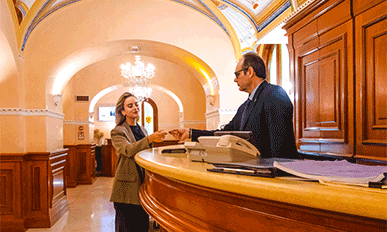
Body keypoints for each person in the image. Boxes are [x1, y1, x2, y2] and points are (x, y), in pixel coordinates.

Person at [169, 52, 299, 159]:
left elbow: (281, 146)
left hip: (273, 177)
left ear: (250, 72)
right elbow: (226, 133)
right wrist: (191, 133)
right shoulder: (244, 106)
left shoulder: (274, 94)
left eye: (237, 74)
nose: (235, 80)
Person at [110, 92, 167, 232]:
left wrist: (156, 141)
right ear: (122, 111)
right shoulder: (118, 131)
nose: (135, 107)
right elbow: (128, 150)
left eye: (136, 104)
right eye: (130, 106)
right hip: (127, 186)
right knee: (126, 227)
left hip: (143, 183)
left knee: (142, 225)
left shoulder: (142, 129)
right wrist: (150, 139)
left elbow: (145, 151)